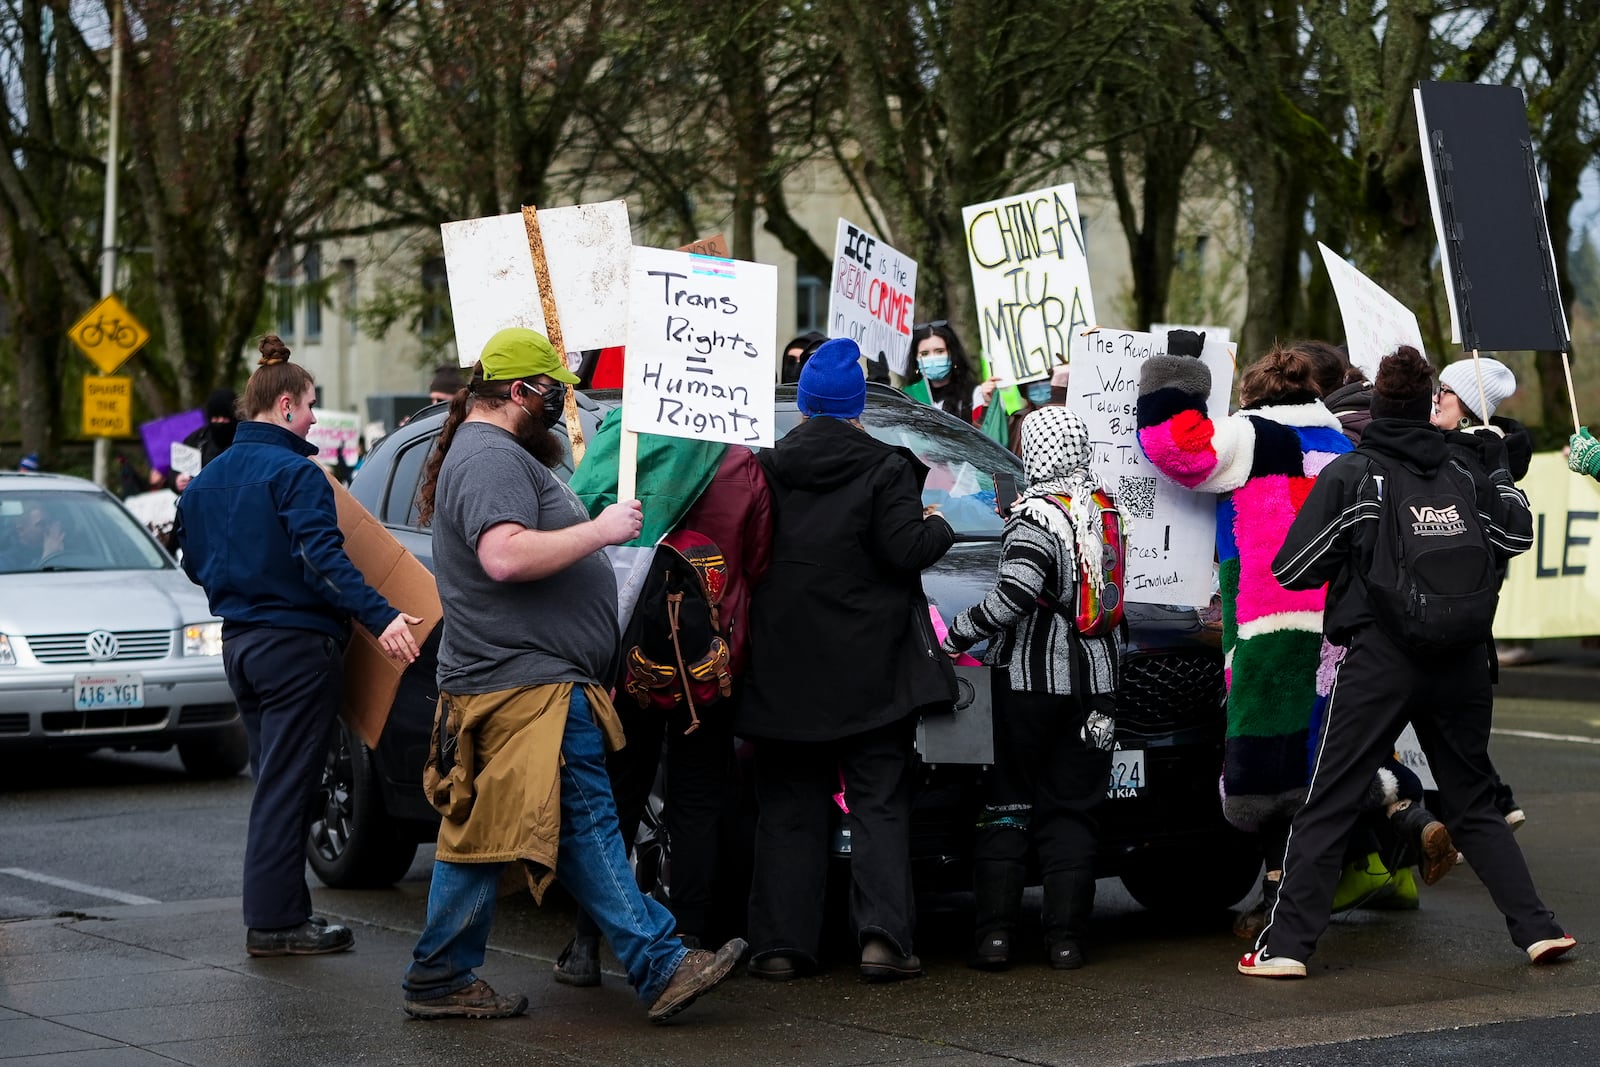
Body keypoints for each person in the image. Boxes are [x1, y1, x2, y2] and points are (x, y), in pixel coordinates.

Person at [400, 326, 745, 1023]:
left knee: (484, 833)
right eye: (555, 387)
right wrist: (604, 530)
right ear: (522, 391)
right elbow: (504, 555)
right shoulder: (492, 457)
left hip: (512, 681)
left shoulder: (483, 449)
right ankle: (660, 961)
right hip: (530, 690)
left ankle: (440, 973)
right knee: (585, 825)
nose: (565, 399)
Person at [1240, 346, 1575, 977]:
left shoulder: (1353, 474)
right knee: (1474, 802)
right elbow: (1516, 534)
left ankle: (1285, 948)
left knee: (1331, 796)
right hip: (1465, 659)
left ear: (1376, 405)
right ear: (1428, 406)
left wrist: (1351, 566)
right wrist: (1498, 470)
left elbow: (1291, 568)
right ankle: (1539, 930)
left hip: (1379, 662)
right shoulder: (1466, 469)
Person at [1136, 332, 1452, 939]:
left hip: (1268, 620)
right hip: (1335, 619)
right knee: (1325, 748)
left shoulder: (1250, 435)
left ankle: (1276, 907)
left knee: (1272, 767)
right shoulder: (1336, 441)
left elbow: (1174, 446)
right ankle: (1402, 809)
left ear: (1254, 392)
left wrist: (1179, 370)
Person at [176, 334, 422, 958]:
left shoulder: (209, 479)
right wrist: (383, 615)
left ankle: (277, 916)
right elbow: (323, 559)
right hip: (295, 648)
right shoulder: (295, 472)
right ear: (285, 406)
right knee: (289, 784)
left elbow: (190, 560)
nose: (314, 417)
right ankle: (276, 921)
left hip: (242, 645)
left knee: (277, 781)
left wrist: (242, 586)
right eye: (311, 405)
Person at [739, 336, 955, 983]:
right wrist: (939, 522)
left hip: (783, 667)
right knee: (878, 802)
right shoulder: (885, 466)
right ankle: (883, 938)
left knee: (787, 806)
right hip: (871, 669)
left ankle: (779, 943)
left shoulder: (767, 466)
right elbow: (905, 549)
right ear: (858, 405)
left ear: (805, 404)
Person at [554, 410, 773, 983]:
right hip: (712, 665)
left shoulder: (619, 447)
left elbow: (569, 526)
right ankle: (689, 939)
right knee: (698, 800)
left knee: (616, 798)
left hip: (627, 657)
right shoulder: (738, 461)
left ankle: (584, 944)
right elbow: (759, 562)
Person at [940, 406, 1126, 972]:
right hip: (1096, 688)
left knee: (1007, 804)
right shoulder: (1103, 509)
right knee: (1074, 811)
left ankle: (995, 937)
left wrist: (960, 630)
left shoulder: (1036, 517)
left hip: (1030, 685)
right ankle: (1066, 941)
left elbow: (1015, 594)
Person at [902, 321, 979, 423]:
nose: (932, 358)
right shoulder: (908, 396)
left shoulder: (975, 394)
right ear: (916, 358)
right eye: (925, 354)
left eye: (939, 351)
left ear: (952, 353)